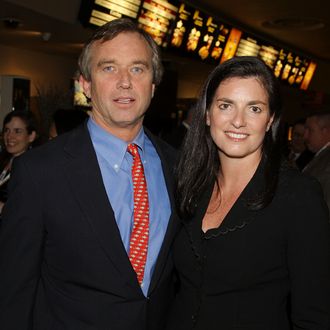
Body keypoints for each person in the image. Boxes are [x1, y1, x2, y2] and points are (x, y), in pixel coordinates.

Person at [0, 18, 178, 330]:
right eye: (108, 68)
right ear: (85, 84)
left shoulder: (177, 165)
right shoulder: (39, 172)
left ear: (152, 85)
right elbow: (14, 289)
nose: (125, 81)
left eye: (137, 68)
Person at [166, 56, 330, 329]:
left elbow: (314, 315)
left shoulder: (297, 196)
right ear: (207, 114)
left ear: (270, 120)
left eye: (254, 108)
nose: (238, 121)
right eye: (226, 105)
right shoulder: (189, 182)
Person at [0, 110, 37, 214]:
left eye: (17, 131)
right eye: (7, 130)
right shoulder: (4, 161)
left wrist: (2, 208)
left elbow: (28, 212)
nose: (9, 136)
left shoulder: (33, 170)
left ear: (31, 136)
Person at [303, 112, 330, 212]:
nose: (305, 136)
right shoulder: (322, 156)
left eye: (310, 130)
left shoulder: (327, 161)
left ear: (325, 131)